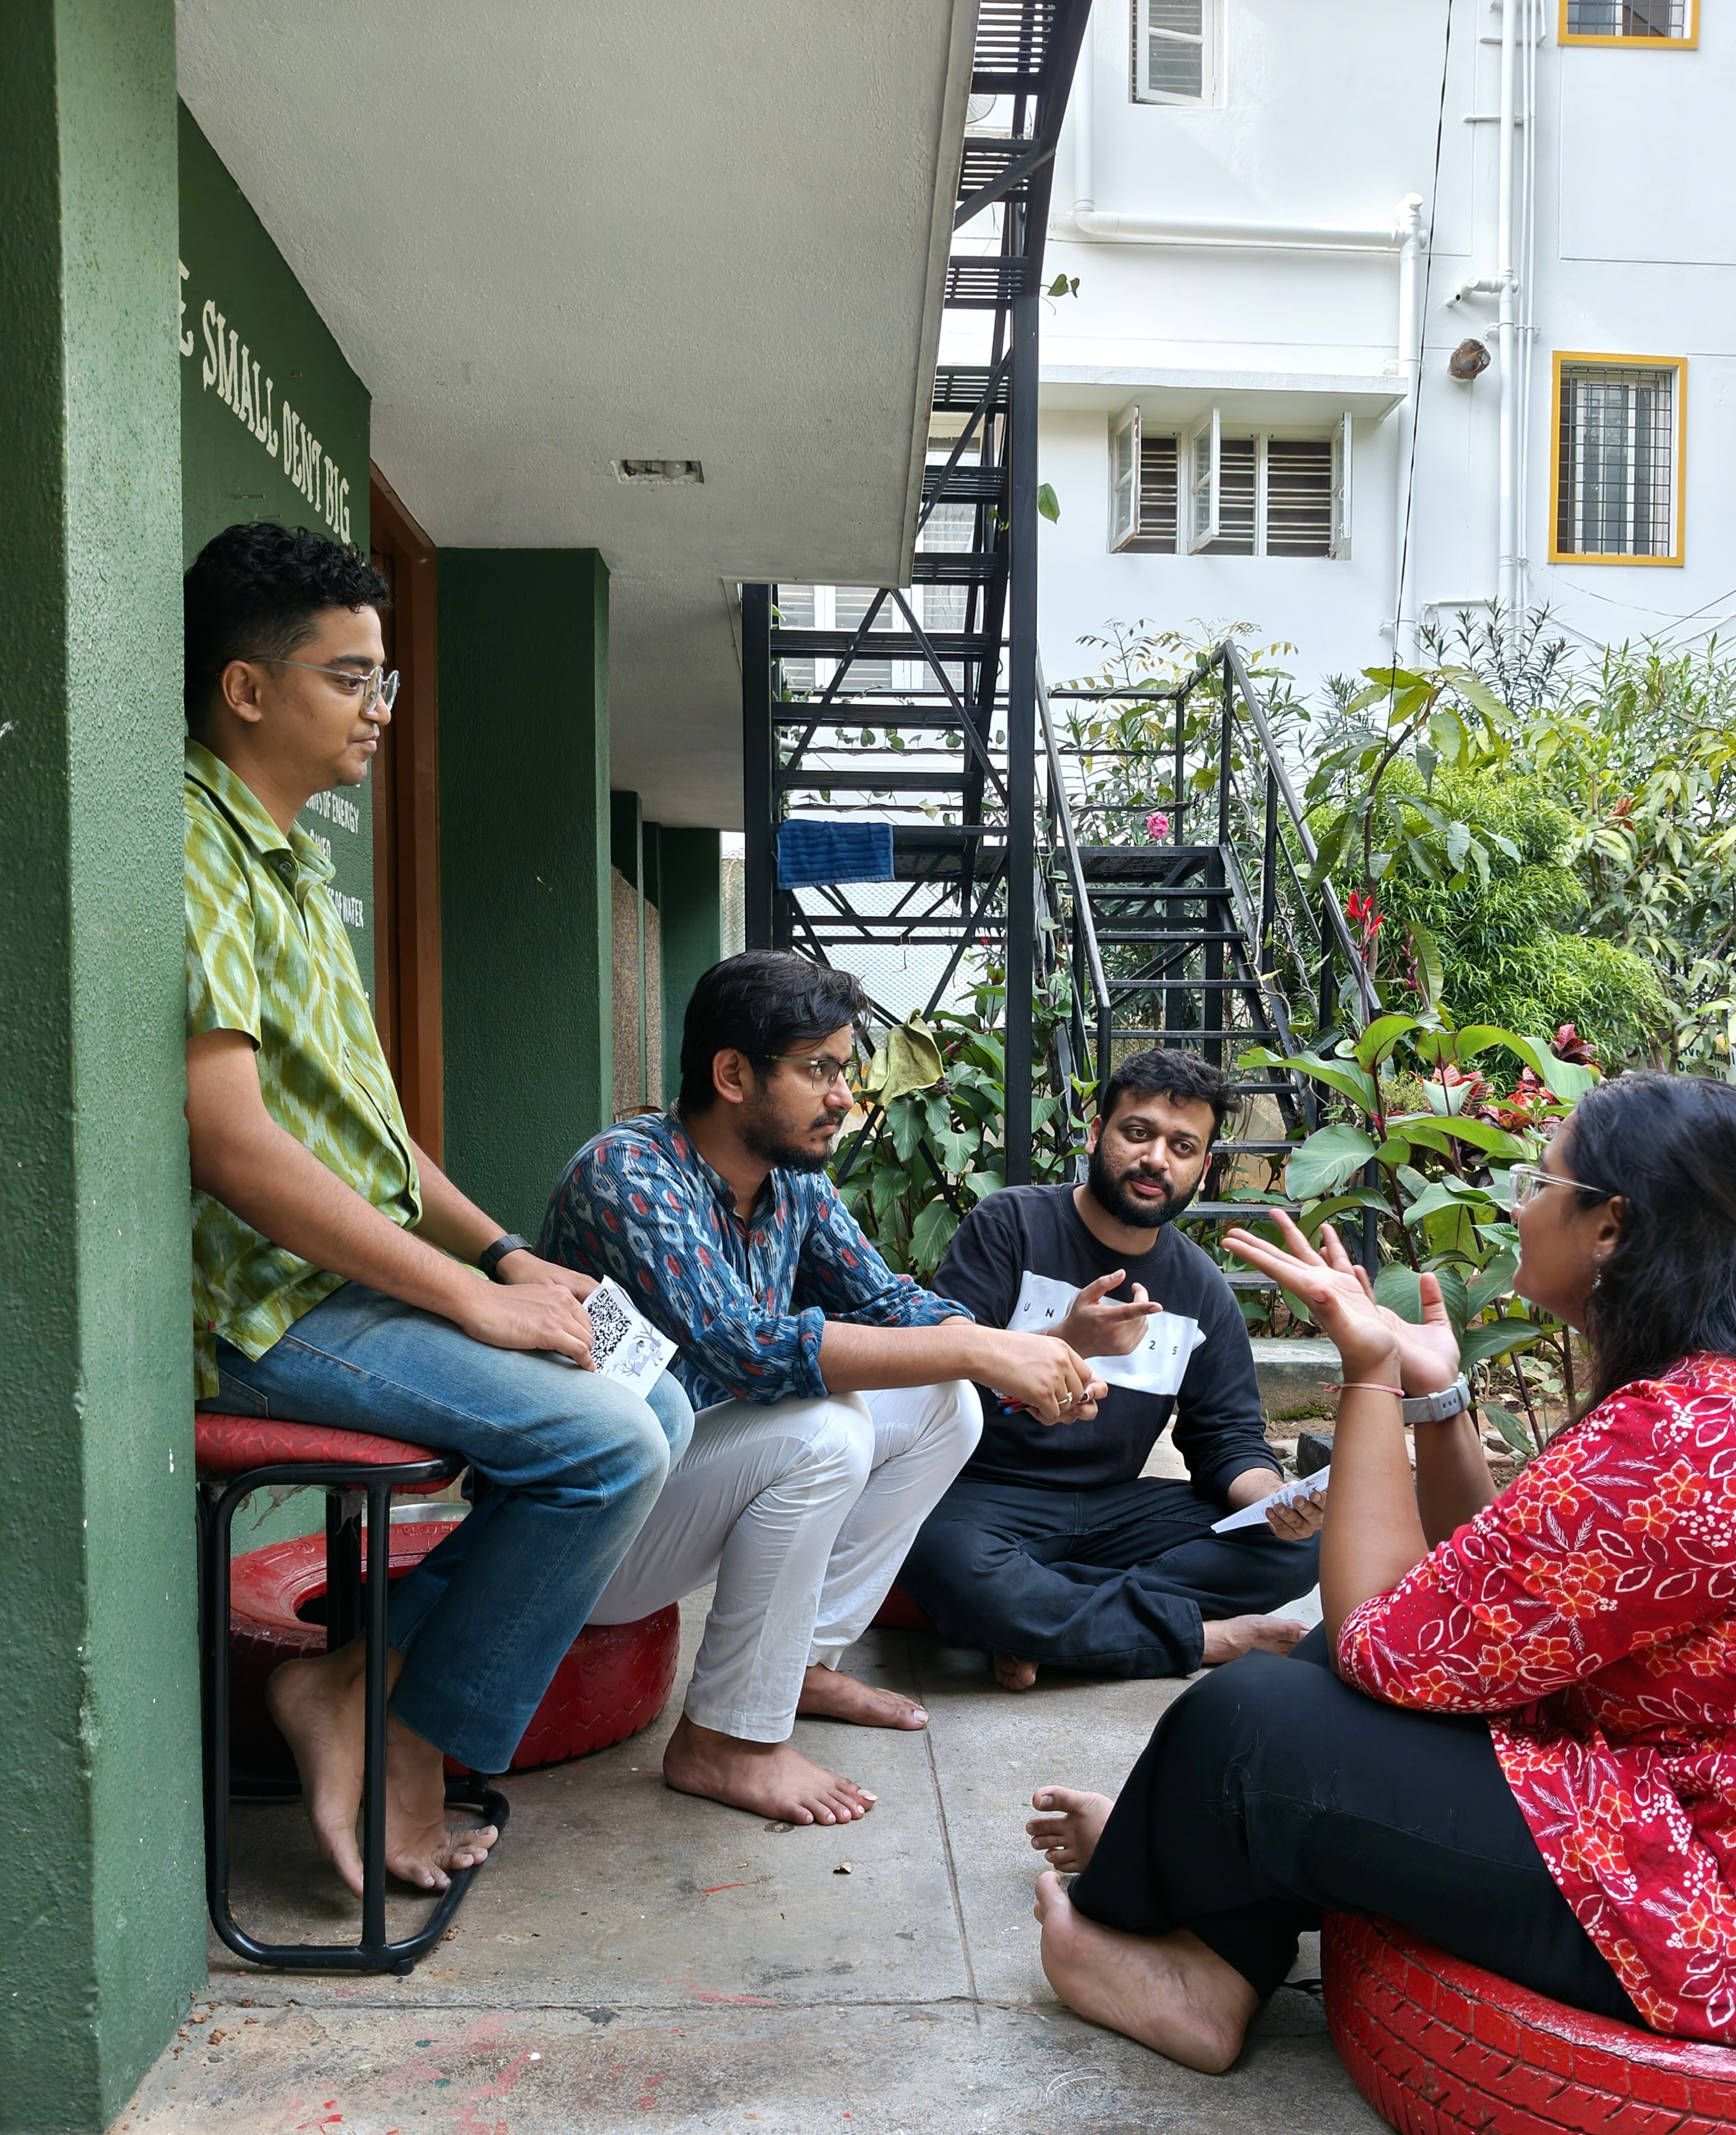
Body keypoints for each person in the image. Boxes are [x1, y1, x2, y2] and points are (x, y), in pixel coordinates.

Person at [1026, 1072, 1736, 2072]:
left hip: (1715, 1902)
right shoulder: (1727, 1397)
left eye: (1537, 1180)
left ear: (1610, 1226)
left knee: (1246, 1722)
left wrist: (1368, 1370)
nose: (1518, 1206)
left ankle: (1154, 1905)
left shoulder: (1680, 1435)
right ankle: (1199, 1924)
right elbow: (1489, 1597)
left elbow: (1380, 1645)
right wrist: (1434, 1393)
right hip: (1664, 1801)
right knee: (1292, 1667)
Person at [183, 522, 687, 1901]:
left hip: (362, 1283)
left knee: (657, 1399)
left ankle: (355, 1678)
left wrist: (512, 1257)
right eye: (350, 678)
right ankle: (408, 1737)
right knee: (601, 1445)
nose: (377, 708)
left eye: (384, 681)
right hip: (266, 1305)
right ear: (245, 690)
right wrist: (471, 1300)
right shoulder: (194, 845)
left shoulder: (290, 864)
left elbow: (381, 1141)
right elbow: (229, 1147)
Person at [536, 952, 1106, 1827]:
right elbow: (753, 1352)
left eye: (843, 1070)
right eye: (819, 1070)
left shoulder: (792, 1185)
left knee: (943, 1400)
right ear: (732, 1074)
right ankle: (725, 1739)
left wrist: (1007, 1352)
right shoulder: (626, 1175)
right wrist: (988, 1354)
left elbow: (886, 1301)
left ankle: (798, 1665)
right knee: (823, 1429)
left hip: (692, 1487)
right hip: (589, 1527)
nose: (843, 1096)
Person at [900, 1048, 1321, 1689]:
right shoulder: (1010, 1225)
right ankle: (1198, 1637)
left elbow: (1225, 1439)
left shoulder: (1201, 1288)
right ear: (1098, 1135)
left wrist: (1272, 1501)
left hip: (1113, 1511)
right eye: (1138, 1132)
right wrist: (1059, 1343)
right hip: (982, 1496)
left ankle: (1046, 1620)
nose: (1157, 1159)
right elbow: (935, 1376)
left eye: (1183, 1146)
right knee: (946, 1560)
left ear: (1203, 1170)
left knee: (1300, 1547)